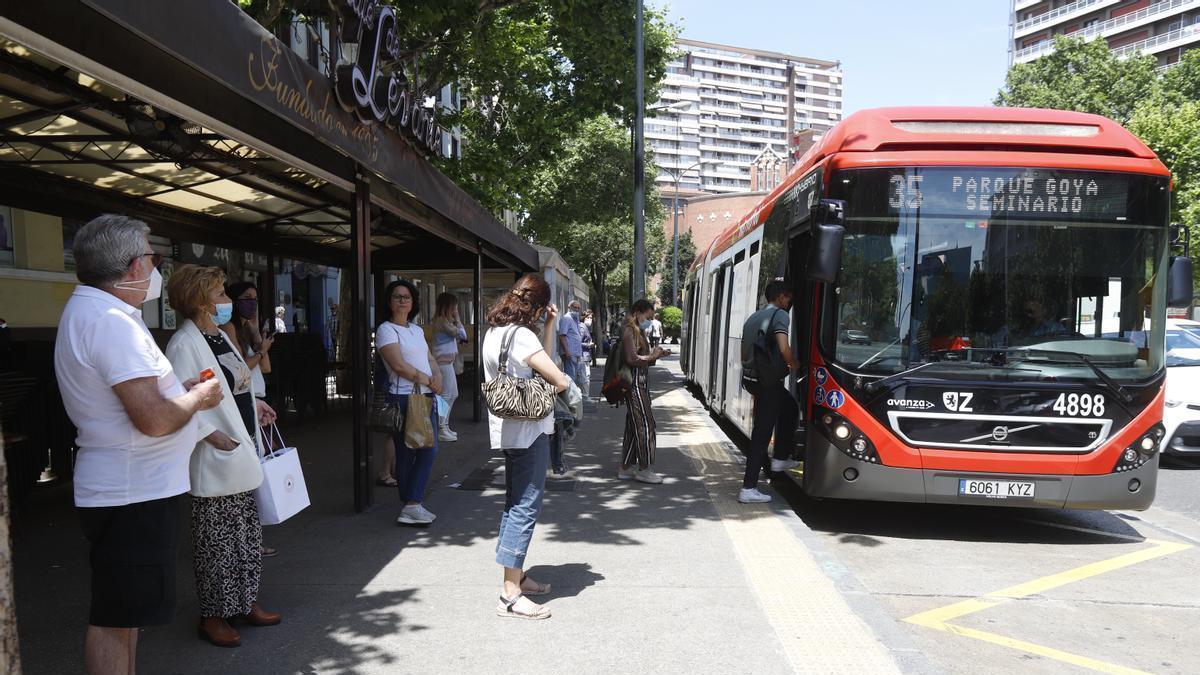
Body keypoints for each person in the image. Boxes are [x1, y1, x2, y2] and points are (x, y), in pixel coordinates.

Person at [53, 214, 223, 674]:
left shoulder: (99, 313)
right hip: (133, 492)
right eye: (153, 257)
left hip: (132, 489)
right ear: (131, 266)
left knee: (126, 616)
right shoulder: (111, 321)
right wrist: (196, 397)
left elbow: (141, 402)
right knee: (117, 617)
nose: (155, 269)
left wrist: (178, 395)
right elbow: (152, 419)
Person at [164, 265, 281, 648]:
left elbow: (237, 386)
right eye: (219, 294)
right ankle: (213, 615)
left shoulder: (218, 335)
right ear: (199, 300)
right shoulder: (184, 343)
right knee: (216, 543)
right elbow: (181, 401)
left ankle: (243, 601)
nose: (227, 301)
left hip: (243, 444)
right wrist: (213, 436)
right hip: (218, 453)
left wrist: (257, 406)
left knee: (246, 535)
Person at [482, 273, 571, 620]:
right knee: (525, 507)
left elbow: (537, 361)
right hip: (530, 432)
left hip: (507, 429)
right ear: (535, 306)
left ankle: (517, 577)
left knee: (514, 503)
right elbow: (558, 377)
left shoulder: (495, 333)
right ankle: (510, 594)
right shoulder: (520, 336)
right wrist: (558, 387)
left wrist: (548, 328)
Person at [376, 279, 443, 526]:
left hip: (425, 396)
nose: (403, 300)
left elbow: (429, 358)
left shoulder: (415, 330)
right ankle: (412, 504)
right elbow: (398, 366)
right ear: (389, 301)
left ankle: (411, 503)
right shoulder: (386, 330)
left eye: (407, 296)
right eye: (397, 296)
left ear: (413, 302)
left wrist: (436, 377)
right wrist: (428, 379)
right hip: (403, 397)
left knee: (427, 448)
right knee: (408, 452)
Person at [220, 281, 279, 558]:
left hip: (258, 396)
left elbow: (264, 367)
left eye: (255, 298)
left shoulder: (248, 328)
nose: (251, 304)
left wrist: (257, 338)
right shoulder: (229, 328)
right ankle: (249, 539)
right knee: (252, 466)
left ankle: (253, 536)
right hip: (245, 399)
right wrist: (260, 350)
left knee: (260, 463)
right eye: (246, 298)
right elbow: (241, 369)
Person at [739, 280, 801, 504]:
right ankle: (748, 488)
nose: (789, 303)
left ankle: (780, 458)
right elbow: (783, 347)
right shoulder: (780, 315)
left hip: (753, 379)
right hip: (768, 383)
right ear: (782, 297)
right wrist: (793, 363)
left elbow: (744, 350)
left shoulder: (754, 316)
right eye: (789, 299)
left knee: (789, 408)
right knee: (761, 435)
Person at [618, 299, 669, 484]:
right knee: (646, 425)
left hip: (639, 383)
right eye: (647, 316)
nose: (648, 320)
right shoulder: (630, 329)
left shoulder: (635, 328)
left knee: (634, 425)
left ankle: (625, 466)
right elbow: (632, 358)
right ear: (639, 312)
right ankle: (644, 468)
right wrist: (653, 355)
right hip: (635, 384)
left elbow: (640, 357)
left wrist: (656, 356)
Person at [432, 292, 468, 442]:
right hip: (442, 364)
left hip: (447, 363)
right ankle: (441, 427)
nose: (455, 309)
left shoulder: (444, 321)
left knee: (451, 394)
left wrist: (456, 320)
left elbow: (463, 335)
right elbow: (462, 335)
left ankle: (444, 425)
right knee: (447, 395)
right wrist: (458, 318)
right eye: (454, 306)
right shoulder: (441, 321)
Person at [558, 300, 584, 387]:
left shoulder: (575, 319)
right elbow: (562, 335)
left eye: (578, 308)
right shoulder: (566, 319)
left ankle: (573, 398)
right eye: (575, 307)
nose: (577, 310)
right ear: (569, 308)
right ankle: (570, 399)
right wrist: (567, 351)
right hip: (570, 353)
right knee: (570, 377)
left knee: (574, 377)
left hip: (575, 352)